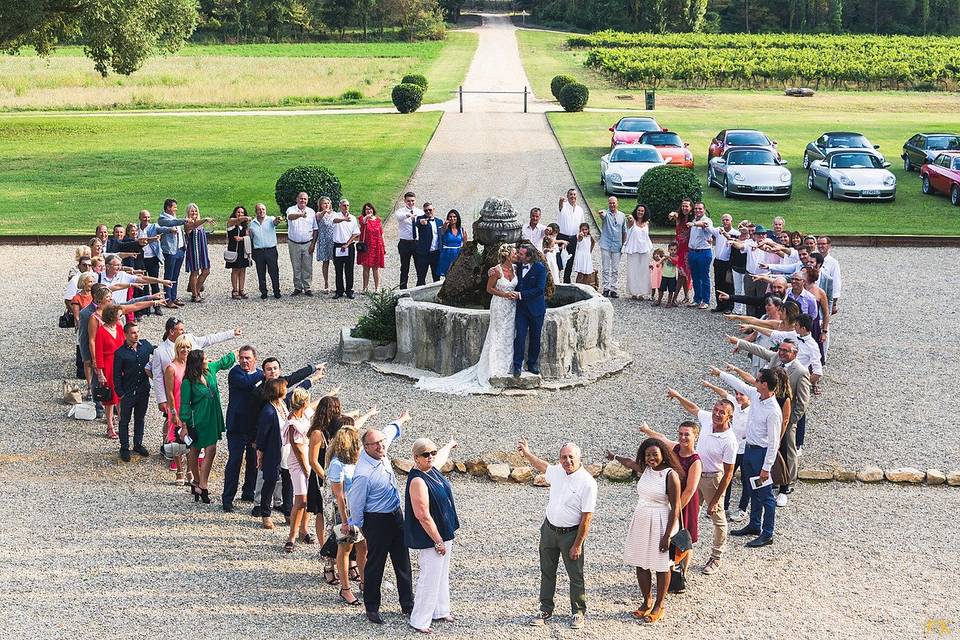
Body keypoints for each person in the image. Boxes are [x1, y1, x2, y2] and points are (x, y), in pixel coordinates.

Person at [415, 244, 516, 395]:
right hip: (500, 305)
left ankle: (507, 365)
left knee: (509, 334)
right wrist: (505, 295)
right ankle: (493, 367)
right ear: (507, 255)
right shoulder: (496, 270)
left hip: (512, 307)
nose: (516, 255)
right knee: (496, 334)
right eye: (514, 253)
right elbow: (489, 289)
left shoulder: (516, 268)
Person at [517, 438, 596, 630]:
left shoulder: (588, 483)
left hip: (570, 534)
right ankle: (545, 609)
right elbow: (542, 466)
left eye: (571, 457)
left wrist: (577, 544)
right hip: (549, 530)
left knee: (575, 575)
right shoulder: (559, 471)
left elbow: (587, 518)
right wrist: (527, 454)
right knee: (547, 571)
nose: (567, 461)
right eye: (563, 457)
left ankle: (578, 612)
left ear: (579, 458)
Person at [348, 412, 415, 625]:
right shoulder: (363, 473)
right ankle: (372, 607)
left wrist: (401, 420)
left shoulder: (382, 450)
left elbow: (389, 432)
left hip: (395, 514)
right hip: (376, 520)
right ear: (366, 447)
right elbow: (356, 503)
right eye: (375, 444)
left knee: (402, 560)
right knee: (376, 563)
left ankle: (408, 603)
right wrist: (357, 526)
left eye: (381, 443)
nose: (380, 446)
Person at [727, 337, 810, 505]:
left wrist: (790, 422)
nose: (782, 353)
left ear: (795, 353)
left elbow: (802, 402)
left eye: (786, 350)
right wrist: (739, 343)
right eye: (781, 349)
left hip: (784, 417)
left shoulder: (800, 372)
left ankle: (786, 485)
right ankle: (770, 480)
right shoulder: (775, 360)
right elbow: (759, 351)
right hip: (769, 410)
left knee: (786, 451)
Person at [606, 438, 682, 623]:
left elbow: (676, 507)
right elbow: (629, 462)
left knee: (662, 564)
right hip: (641, 520)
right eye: (648, 455)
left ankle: (659, 604)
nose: (651, 458)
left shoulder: (670, 475)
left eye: (655, 454)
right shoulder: (645, 469)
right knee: (641, 562)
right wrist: (614, 456)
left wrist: (667, 536)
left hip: (662, 521)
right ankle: (646, 601)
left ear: (663, 454)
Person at [711, 365, 782, 548]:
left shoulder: (773, 411)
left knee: (766, 496)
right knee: (752, 490)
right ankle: (754, 525)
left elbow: (774, 442)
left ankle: (768, 533)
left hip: (760, 453)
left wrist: (766, 467)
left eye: (758, 380)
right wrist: (720, 373)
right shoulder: (757, 396)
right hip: (749, 451)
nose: (754, 381)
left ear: (765, 384)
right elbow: (739, 384)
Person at [148, 319, 240, 450]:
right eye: (180, 329)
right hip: (176, 399)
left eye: (188, 348)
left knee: (195, 429)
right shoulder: (160, 351)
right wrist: (162, 400)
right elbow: (157, 377)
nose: (183, 331)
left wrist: (231, 333)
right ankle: (172, 454)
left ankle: (195, 454)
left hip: (196, 399)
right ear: (171, 331)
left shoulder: (190, 340)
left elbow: (209, 339)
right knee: (175, 428)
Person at [405, 437, 460, 634]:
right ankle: (420, 619)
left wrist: (449, 445)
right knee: (429, 576)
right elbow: (422, 515)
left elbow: (441, 458)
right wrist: (437, 541)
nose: (430, 457)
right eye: (425, 454)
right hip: (431, 537)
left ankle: (440, 610)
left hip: (444, 531)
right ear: (416, 458)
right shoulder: (418, 480)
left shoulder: (432, 468)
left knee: (441, 573)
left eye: (432, 453)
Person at [639, 419, 701, 580]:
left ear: (695, 436)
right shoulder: (676, 448)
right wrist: (647, 430)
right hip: (670, 499)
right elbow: (661, 438)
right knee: (671, 536)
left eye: (687, 434)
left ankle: (683, 574)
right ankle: (670, 568)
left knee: (684, 536)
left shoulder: (695, 461)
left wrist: (677, 509)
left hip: (684, 503)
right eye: (680, 434)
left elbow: (690, 489)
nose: (682, 438)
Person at [176, 347, 237, 504]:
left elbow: (223, 362)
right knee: (194, 450)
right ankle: (197, 482)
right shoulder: (188, 382)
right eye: (204, 359)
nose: (207, 360)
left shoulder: (210, 370)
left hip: (212, 417)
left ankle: (202, 484)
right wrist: (184, 425)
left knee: (211, 449)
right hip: (198, 419)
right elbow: (184, 405)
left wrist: (235, 353)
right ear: (197, 363)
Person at [324, 424, 365, 605]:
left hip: (360, 508)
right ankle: (346, 589)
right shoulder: (336, 464)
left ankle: (364, 583)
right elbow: (339, 495)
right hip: (346, 511)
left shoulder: (354, 461)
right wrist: (346, 518)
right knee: (345, 548)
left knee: (363, 547)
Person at [112, 322, 156, 462]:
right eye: (133, 332)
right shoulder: (120, 353)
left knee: (140, 418)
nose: (136, 335)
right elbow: (116, 374)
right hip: (128, 392)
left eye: (137, 332)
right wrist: (121, 393)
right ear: (126, 335)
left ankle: (138, 443)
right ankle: (124, 447)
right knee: (124, 420)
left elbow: (157, 352)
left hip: (143, 391)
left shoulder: (145, 346)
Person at [283, 388, 316, 552]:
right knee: (301, 499)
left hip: (307, 457)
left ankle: (304, 529)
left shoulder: (302, 414)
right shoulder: (293, 422)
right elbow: (297, 449)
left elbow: (314, 407)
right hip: (299, 462)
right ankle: (292, 535)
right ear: (304, 402)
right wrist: (307, 469)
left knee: (308, 498)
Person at [255, 378, 288, 528]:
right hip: (273, 450)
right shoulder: (268, 411)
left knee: (288, 481)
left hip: (286, 449)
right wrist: (260, 453)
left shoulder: (282, 404)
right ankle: (266, 513)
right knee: (270, 481)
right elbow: (262, 435)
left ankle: (288, 511)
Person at [511, 244, 548, 377]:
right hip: (521, 309)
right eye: (519, 253)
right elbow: (503, 265)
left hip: (536, 309)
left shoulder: (540, 269)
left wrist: (521, 295)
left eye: (521, 254)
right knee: (519, 336)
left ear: (529, 257)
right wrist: (491, 270)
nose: (518, 256)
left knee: (535, 337)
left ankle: (532, 363)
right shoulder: (518, 265)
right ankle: (517, 365)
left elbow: (540, 289)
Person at [163, 335, 193, 485]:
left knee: (190, 439)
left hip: (191, 408)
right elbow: (169, 392)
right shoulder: (171, 367)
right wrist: (173, 412)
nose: (185, 350)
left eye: (188, 347)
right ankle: (180, 470)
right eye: (182, 347)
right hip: (177, 408)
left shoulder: (192, 366)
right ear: (177, 348)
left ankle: (190, 469)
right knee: (176, 439)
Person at [94, 304, 126, 440]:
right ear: (113, 316)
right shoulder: (101, 331)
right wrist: (100, 373)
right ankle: (110, 426)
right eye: (119, 315)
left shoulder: (119, 327)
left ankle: (122, 426)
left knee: (121, 397)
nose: (121, 317)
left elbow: (124, 345)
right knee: (110, 399)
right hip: (108, 366)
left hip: (120, 365)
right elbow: (99, 353)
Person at [137, 209, 176, 314]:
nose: (147, 219)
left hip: (152, 258)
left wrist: (171, 229)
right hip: (141, 259)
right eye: (144, 217)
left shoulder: (153, 227)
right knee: (143, 282)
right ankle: (145, 307)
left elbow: (162, 228)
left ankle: (157, 305)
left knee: (154, 282)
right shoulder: (136, 228)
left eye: (148, 217)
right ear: (140, 218)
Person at [285, 191, 318, 296]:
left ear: (307, 200)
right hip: (293, 243)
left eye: (305, 199)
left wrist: (313, 244)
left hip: (307, 243)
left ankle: (307, 287)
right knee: (296, 266)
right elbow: (290, 217)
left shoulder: (311, 212)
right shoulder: (291, 209)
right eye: (301, 198)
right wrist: (300, 214)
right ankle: (297, 287)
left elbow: (315, 229)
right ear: (297, 199)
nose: (303, 200)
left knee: (307, 266)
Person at [159, 198, 188, 308]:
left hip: (180, 249)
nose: (176, 209)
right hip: (170, 251)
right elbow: (172, 223)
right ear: (168, 208)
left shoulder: (175, 218)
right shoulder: (163, 219)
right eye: (174, 207)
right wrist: (184, 220)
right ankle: (168, 299)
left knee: (175, 275)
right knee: (169, 275)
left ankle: (173, 297)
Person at [249, 203, 282, 299]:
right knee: (260, 272)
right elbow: (251, 237)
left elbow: (276, 222)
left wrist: (277, 219)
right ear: (256, 211)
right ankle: (263, 291)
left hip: (270, 250)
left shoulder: (270, 220)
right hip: (258, 251)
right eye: (259, 209)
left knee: (274, 271)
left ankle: (276, 291)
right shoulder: (252, 223)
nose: (261, 211)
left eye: (263, 209)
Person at [331, 199, 361, 299]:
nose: (346, 207)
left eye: (347, 205)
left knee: (349, 269)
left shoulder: (352, 218)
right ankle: (339, 290)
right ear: (340, 206)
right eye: (344, 205)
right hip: (338, 245)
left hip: (349, 246)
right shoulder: (336, 215)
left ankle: (349, 290)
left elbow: (355, 233)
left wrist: (347, 244)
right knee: (338, 269)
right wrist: (343, 219)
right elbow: (334, 221)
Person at [597, 196, 626, 298]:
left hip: (617, 245)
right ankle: (606, 288)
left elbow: (624, 231)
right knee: (605, 268)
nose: (612, 205)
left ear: (617, 203)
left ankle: (613, 288)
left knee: (615, 269)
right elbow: (602, 215)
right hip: (606, 244)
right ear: (608, 204)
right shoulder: (606, 213)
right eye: (610, 203)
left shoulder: (622, 215)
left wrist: (624, 245)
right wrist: (601, 213)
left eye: (614, 203)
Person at [393, 192, 422, 289]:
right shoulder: (401, 212)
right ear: (404, 201)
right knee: (404, 268)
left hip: (417, 242)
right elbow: (399, 217)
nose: (411, 203)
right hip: (405, 242)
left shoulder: (420, 212)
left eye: (412, 201)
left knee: (419, 267)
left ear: (415, 200)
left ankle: (420, 287)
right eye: (408, 201)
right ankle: (403, 288)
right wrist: (408, 215)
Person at [623, 204, 652, 300]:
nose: (640, 212)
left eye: (642, 211)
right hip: (633, 249)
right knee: (633, 271)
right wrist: (630, 218)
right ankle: (634, 292)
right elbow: (629, 220)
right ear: (636, 211)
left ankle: (642, 293)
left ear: (645, 212)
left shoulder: (647, 223)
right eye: (638, 210)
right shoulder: (632, 222)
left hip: (644, 249)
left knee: (643, 271)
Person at [710, 214, 738, 312]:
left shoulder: (735, 233)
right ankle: (720, 304)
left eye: (727, 220)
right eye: (723, 220)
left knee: (729, 285)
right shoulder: (719, 231)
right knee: (718, 284)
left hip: (728, 263)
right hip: (718, 261)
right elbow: (708, 227)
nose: (725, 222)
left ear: (731, 221)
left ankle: (729, 306)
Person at [666, 199, 693, 304]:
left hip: (688, 249)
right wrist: (672, 214)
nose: (684, 208)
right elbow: (672, 215)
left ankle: (675, 298)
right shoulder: (679, 217)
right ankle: (682, 297)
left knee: (684, 274)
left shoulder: (693, 219)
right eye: (683, 206)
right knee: (681, 273)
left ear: (691, 207)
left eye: (686, 206)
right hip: (678, 248)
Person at [357, 202, 386, 293]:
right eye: (367, 209)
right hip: (366, 246)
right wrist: (367, 216)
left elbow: (381, 233)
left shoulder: (378, 220)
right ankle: (365, 288)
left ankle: (377, 288)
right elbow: (363, 222)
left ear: (373, 209)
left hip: (377, 246)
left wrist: (384, 246)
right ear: (364, 211)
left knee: (375, 268)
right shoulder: (362, 218)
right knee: (366, 268)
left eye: (370, 209)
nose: (369, 210)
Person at [225, 205, 252, 299]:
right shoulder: (231, 223)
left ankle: (242, 289)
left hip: (243, 249)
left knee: (243, 269)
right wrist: (245, 218)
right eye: (238, 212)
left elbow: (248, 236)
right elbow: (234, 221)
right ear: (235, 213)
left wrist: (242, 238)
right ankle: (234, 290)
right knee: (235, 269)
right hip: (234, 249)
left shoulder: (244, 226)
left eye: (242, 212)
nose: (240, 214)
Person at [557, 189, 584, 283]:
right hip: (562, 236)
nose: (573, 196)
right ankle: (556, 279)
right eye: (571, 194)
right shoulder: (563, 206)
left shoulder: (580, 209)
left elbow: (582, 224)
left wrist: (581, 234)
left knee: (570, 260)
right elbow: (560, 206)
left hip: (573, 238)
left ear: (577, 196)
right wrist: (560, 201)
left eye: (574, 194)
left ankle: (566, 280)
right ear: (567, 196)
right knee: (558, 259)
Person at [413, 202, 443, 287]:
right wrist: (421, 222)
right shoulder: (421, 219)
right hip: (423, 254)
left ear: (433, 210)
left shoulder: (439, 221)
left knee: (436, 278)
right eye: (426, 210)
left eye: (430, 210)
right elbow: (418, 223)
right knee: (421, 278)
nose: (428, 212)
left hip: (436, 254)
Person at [435, 209, 466, 278]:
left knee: (458, 275)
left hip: (458, 254)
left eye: (454, 216)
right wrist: (445, 224)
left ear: (457, 218)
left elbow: (465, 244)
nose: (452, 218)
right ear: (448, 218)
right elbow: (442, 231)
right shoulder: (445, 228)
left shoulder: (461, 229)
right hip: (447, 255)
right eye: (450, 216)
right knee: (448, 275)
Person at [315, 196, 336, 293]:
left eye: (328, 203)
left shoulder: (335, 214)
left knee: (337, 263)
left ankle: (338, 283)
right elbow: (319, 218)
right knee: (325, 262)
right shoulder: (318, 214)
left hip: (333, 241)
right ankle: (326, 283)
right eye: (324, 203)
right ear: (320, 205)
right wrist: (325, 211)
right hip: (323, 241)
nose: (327, 205)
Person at [816, 236, 842, 315]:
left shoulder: (833, 262)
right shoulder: (813, 258)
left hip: (825, 296)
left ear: (829, 245)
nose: (820, 246)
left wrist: (834, 303)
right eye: (819, 244)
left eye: (823, 244)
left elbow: (836, 282)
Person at [653, 242, 680, 308]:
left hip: (672, 277)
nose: (673, 251)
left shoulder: (676, 257)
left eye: (674, 250)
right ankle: (659, 300)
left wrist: (668, 257)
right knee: (661, 289)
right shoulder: (666, 258)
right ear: (668, 250)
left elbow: (674, 262)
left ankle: (669, 302)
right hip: (664, 276)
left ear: (677, 250)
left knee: (671, 291)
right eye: (671, 249)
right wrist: (659, 262)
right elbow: (661, 261)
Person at [572, 223, 596, 288]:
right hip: (581, 256)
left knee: (587, 274)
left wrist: (590, 251)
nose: (584, 231)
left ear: (588, 230)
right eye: (583, 229)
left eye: (586, 229)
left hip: (587, 256)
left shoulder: (589, 237)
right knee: (580, 274)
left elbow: (593, 242)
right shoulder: (579, 236)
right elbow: (579, 239)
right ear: (580, 230)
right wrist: (581, 235)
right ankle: (577, 287)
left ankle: (585, 288)